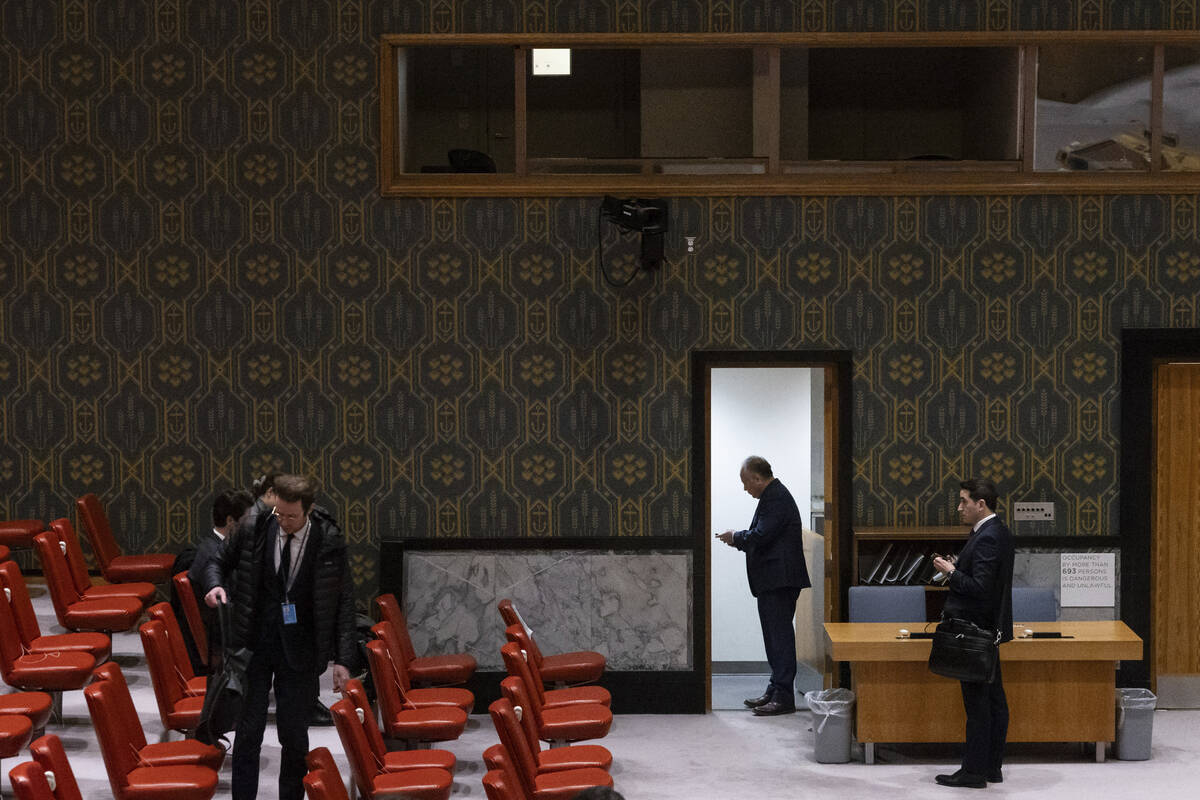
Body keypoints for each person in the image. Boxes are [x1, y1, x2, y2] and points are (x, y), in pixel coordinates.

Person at [202, 474, 357, 800]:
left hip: (300, 648)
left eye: (292, 516)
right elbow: (218, 559)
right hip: (254, 642)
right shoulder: (256, 524)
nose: (283, 522)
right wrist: (215, 584)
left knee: (294, 735)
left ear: (309, 510)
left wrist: (343, 659)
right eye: (279, 514)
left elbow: (343, 601)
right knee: (248, 732)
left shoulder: (328, 539)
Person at [931, 479, 1015, 789]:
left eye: (964, 501)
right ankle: (992, 767)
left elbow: (980, 588)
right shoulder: (997, 532)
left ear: (981, 504)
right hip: (987, 629)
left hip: (974, 631)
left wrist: (951, 572)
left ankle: (974, 772)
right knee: (994, 700)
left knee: (979, 704)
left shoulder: (988, 537)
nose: (959, 507)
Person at [715, 456, 811, 716]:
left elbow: (761, 535)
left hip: (780, 580)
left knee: (779, 638)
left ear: (757, 478)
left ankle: (783, 697)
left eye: (746, 483)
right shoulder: (772, 496)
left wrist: (736, 537)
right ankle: (774, 690)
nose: (746, 489)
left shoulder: (776, 497)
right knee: (774, 637)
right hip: (774, 580)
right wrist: (738, 539)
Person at [186, 488, 254, 666]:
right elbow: (228, 605)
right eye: (248, 520)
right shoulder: (213, 554)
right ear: (231, 521)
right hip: (223, 638)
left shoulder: (211, 545)